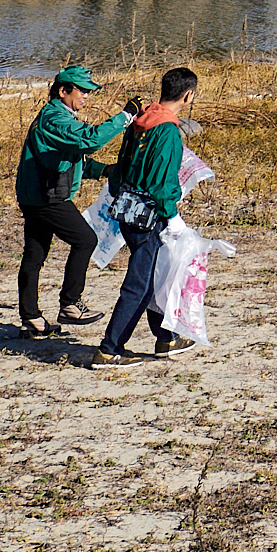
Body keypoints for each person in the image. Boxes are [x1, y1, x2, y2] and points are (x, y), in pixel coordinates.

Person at [91, 66, 199, 369]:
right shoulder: (167, 131)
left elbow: (122, 167)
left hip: (127, 210)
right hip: (149, 216)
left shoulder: (140, 121)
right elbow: (161, 181)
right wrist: (172, 216)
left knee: (154, 276)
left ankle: (166, 339)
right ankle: (110, 349)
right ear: (188, 96)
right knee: (139, 284)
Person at [13, 65, 134, 336]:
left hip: (37, 194)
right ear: (63, 90)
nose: (87, 96)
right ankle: (70, 304)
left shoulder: (58, 116)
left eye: (89, 91)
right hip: (47, 197)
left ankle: (30, 319)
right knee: (86, 240)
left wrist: (103, 170)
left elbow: (72, 157)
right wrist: (124, 117)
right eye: (82, 90)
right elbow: (87, 141)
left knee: (35, 255)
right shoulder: (55, 118)